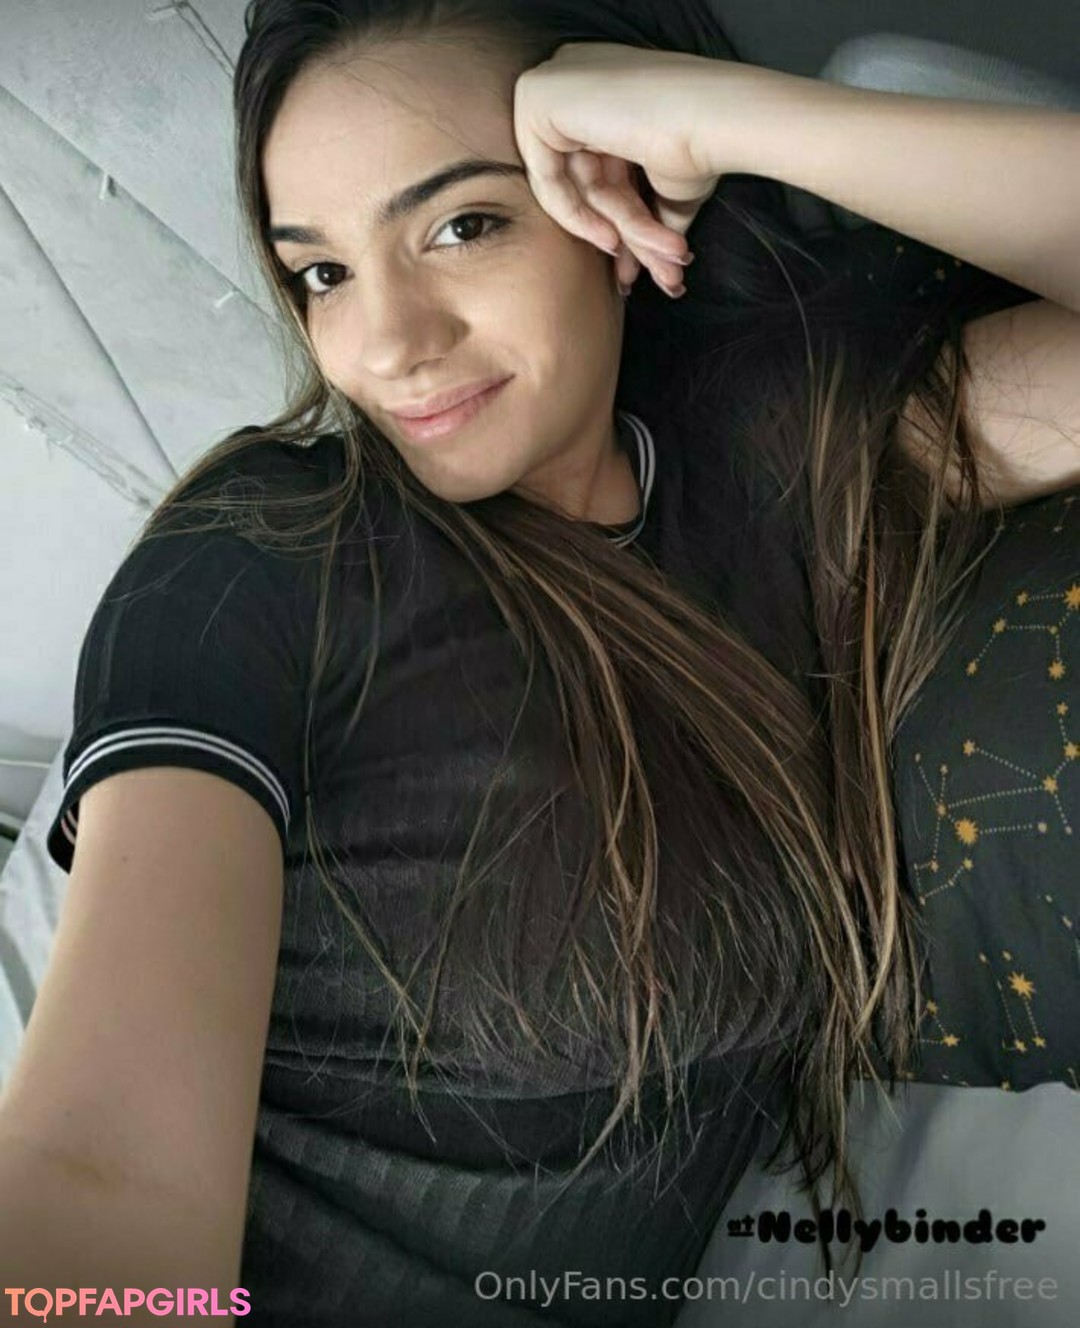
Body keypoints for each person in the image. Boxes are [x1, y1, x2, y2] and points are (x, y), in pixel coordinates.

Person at [0, 0, 1076, 1323]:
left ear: (610, 202)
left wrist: (714, 120)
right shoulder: (263, 556)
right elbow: (104, 1183)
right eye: (323, 273)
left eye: (463, 226)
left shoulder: (774, 461)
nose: (389, 344)